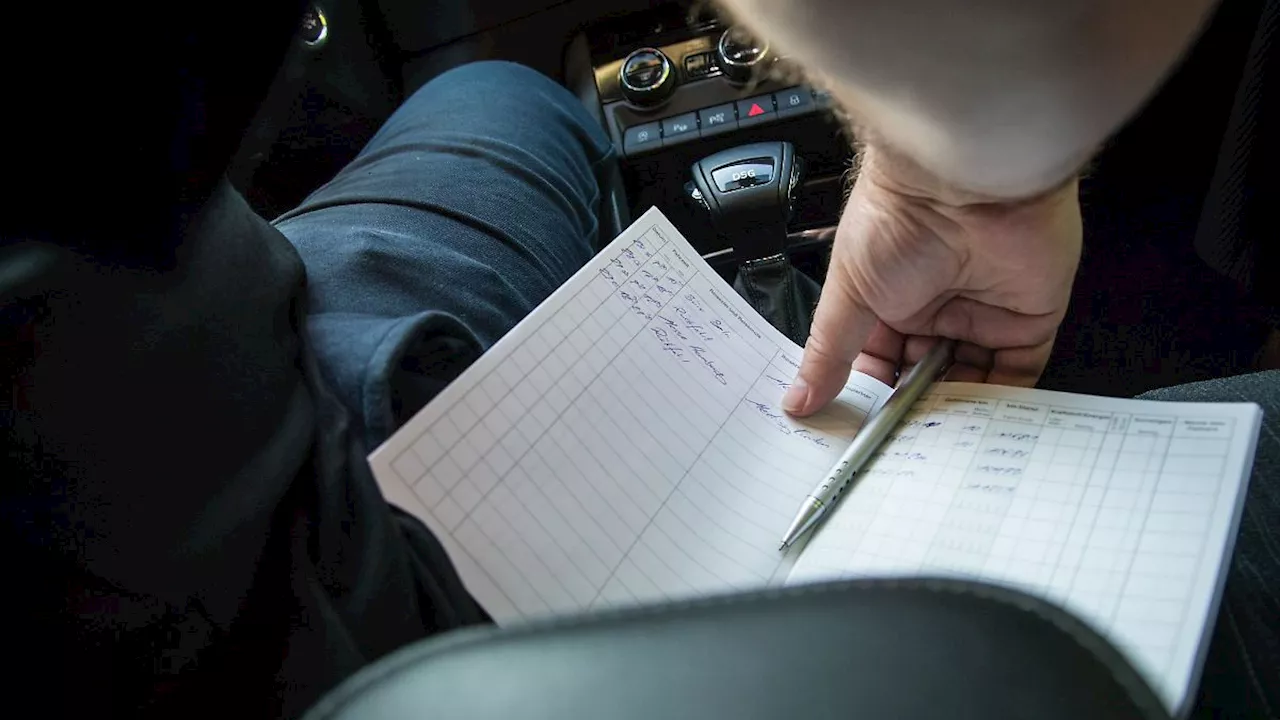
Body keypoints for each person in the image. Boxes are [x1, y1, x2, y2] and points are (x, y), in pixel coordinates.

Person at [1, 1, 1275, 719]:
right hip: (283, 624)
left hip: (207, 364)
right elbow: (1018, 46)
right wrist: (955, 181)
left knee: (499, 98)